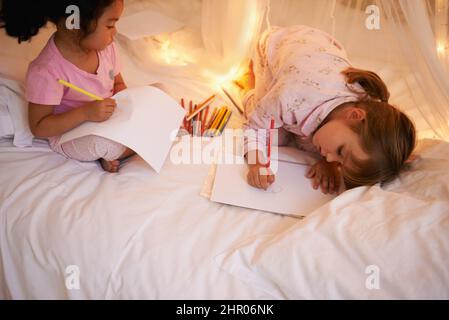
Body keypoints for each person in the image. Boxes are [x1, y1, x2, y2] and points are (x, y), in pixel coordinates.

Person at [241, 25, 416, 194]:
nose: (331, 158)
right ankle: (247, 84)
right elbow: (254, 128)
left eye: (340, 163)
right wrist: (257, 164)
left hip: (317, 47)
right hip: (274, 47)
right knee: (277, 137)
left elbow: (383, 143)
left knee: (311, 140)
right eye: (340, 152)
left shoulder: (369, 110)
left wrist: (330, 164)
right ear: (354, 115)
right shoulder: (291, 96)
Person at [0, 0, 134, 172]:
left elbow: (118, 83)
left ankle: (120, 148)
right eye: (110, 25)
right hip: (71, 134)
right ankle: (116, 149)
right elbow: (39, 127)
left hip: (109, 120)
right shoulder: (47, 71)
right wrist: (85, 113)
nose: (114, 32)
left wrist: (127, 105)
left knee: (161, 91)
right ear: (76, 24)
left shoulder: (107, 49)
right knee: (100, 144)